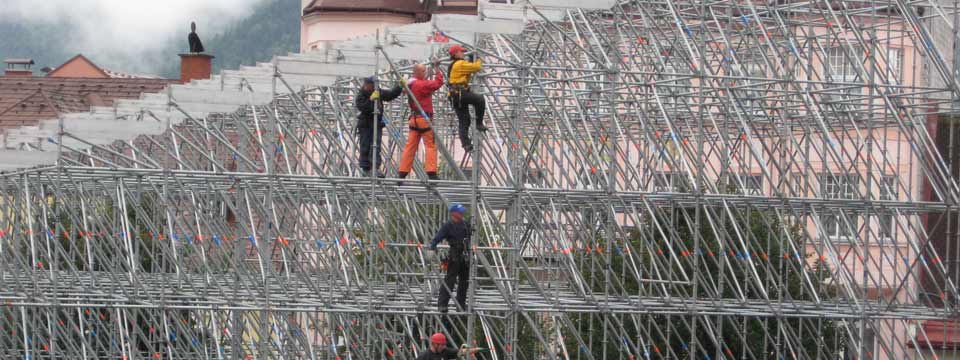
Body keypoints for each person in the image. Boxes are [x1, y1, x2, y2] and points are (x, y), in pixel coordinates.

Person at [399, 63, 444, 180]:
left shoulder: (410, 84)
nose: (425, 73)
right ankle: (431, 172)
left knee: (410, 147)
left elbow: (422, 85)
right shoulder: (421, 85)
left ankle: (402, 172)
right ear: (418, 73)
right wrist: (437, 70)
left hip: (414, 119)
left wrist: (428, 74)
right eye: (423, 71)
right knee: (430, 145)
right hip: (424, 119)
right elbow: (437, 83)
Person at [355, 76, 403, 177]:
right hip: (366, 124)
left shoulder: (378, 91)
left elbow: (389, 95)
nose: (372, 87)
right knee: (366, 145)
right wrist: (371, 99)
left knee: (376, 146)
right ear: (366, 84)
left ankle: (375, 167)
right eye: (371, 85)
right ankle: (366, 169)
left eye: (374, 85)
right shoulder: (361, 95)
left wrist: (399, 87)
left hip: (376, 124)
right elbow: (363, 107)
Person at [430, 203, 471, 312]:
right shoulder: (448, 225)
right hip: (455, 254)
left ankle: (460, 304)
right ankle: (442, 304)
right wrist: (431, 247)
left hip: (465, 254)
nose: (462, 214)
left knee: (464, 281)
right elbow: (438, 237)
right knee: (450, 280)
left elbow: (469, 238)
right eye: (460, 212)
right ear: (454, 214)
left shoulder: (465, 224)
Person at [446, 44, 488, 153]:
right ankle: (479, 123)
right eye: (461, 52)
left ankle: (466, 144)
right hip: (460, 94)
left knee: (464, 121)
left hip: (454, 96)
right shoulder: (459, 64)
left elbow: (467, 68)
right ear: (456, 54)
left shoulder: (454, 65)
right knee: (479, 100)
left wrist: (470, 59)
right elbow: (477, 67)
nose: (463, 53)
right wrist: (478, 58)